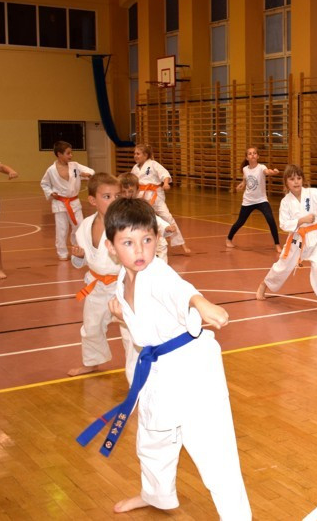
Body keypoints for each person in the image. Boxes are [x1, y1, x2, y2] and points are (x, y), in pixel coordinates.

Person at [79, 197, 251, 517]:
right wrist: (123, 315)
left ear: (157, 238)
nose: (140, 250)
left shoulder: (158, 275)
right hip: (157, 371)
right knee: (153, 439)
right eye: (128, 243)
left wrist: (200, 304)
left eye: (147, 240)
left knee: (213, 449)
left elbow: (179, 290)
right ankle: (156, 495)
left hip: (193, 372)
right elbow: (146, 325)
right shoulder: (123, 280)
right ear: (111, 247)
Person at [256, 164, 317, 314]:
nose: (296, 181)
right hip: (297, 239)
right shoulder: (285, 202)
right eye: (292, 179)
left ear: (303, 179)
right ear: (286, 182)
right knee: (283, 266)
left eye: (298, 178)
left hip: (316, 238)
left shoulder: (312, 193)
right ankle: (264, 284)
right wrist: (301, 220)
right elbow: (283, 224)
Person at [68, 173, 137, 378]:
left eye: (117, 196)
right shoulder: (85, 225)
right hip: (96, 285)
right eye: (107, 197)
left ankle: (137, 371)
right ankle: (92, 362)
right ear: (92, 200)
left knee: (130, 330)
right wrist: (79, 257)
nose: (113, 201)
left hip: (122, 285)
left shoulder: (126, 224)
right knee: (91, 327)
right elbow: (84, 261)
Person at [130, 144, 190, 255]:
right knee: (141, 219)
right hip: (141, 197)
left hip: (155, 196)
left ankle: (182, 244)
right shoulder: (135, 168)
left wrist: (166, 183)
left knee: (167, 217)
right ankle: (141, 243)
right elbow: (131, 181)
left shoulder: (153, 164)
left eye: (138, 154)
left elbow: (165, 174)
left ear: (145, 155)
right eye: (134, 153)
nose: (135, 156)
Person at [40, 141, 94, 261]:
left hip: (74, 202)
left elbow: (91, 171)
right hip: (60, 203)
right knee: (62, 229)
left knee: (79, 226)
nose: (71, 156)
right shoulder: (51, 170)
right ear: (59, 154)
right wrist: (50, 193)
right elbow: (44, 184)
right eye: (68, 153)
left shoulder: (75, 166)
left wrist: (87, 174)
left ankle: (78, 249)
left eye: (71, 153)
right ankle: (62, 253)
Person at [226, 146, 282, 252]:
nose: (252, 155)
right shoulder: (245, 169)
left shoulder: (261, 167)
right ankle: (229, 239)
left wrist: (273, 172)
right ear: (247, 157)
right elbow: (245, 181)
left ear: (258, 156)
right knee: (240, 222)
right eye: (250, 153)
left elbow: (267, 172)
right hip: (248, 201)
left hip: (261, 200)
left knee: (270, 220)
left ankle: (277, 244)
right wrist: (241, 185)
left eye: (254, 153)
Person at [118, 172, 175, 262]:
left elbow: (153, 218)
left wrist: (165, 227)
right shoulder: (117, 208)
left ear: (137, 191)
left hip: (146, 241)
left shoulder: (141, 206)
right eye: (123, 192)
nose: (127, 195)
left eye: (131, 191)